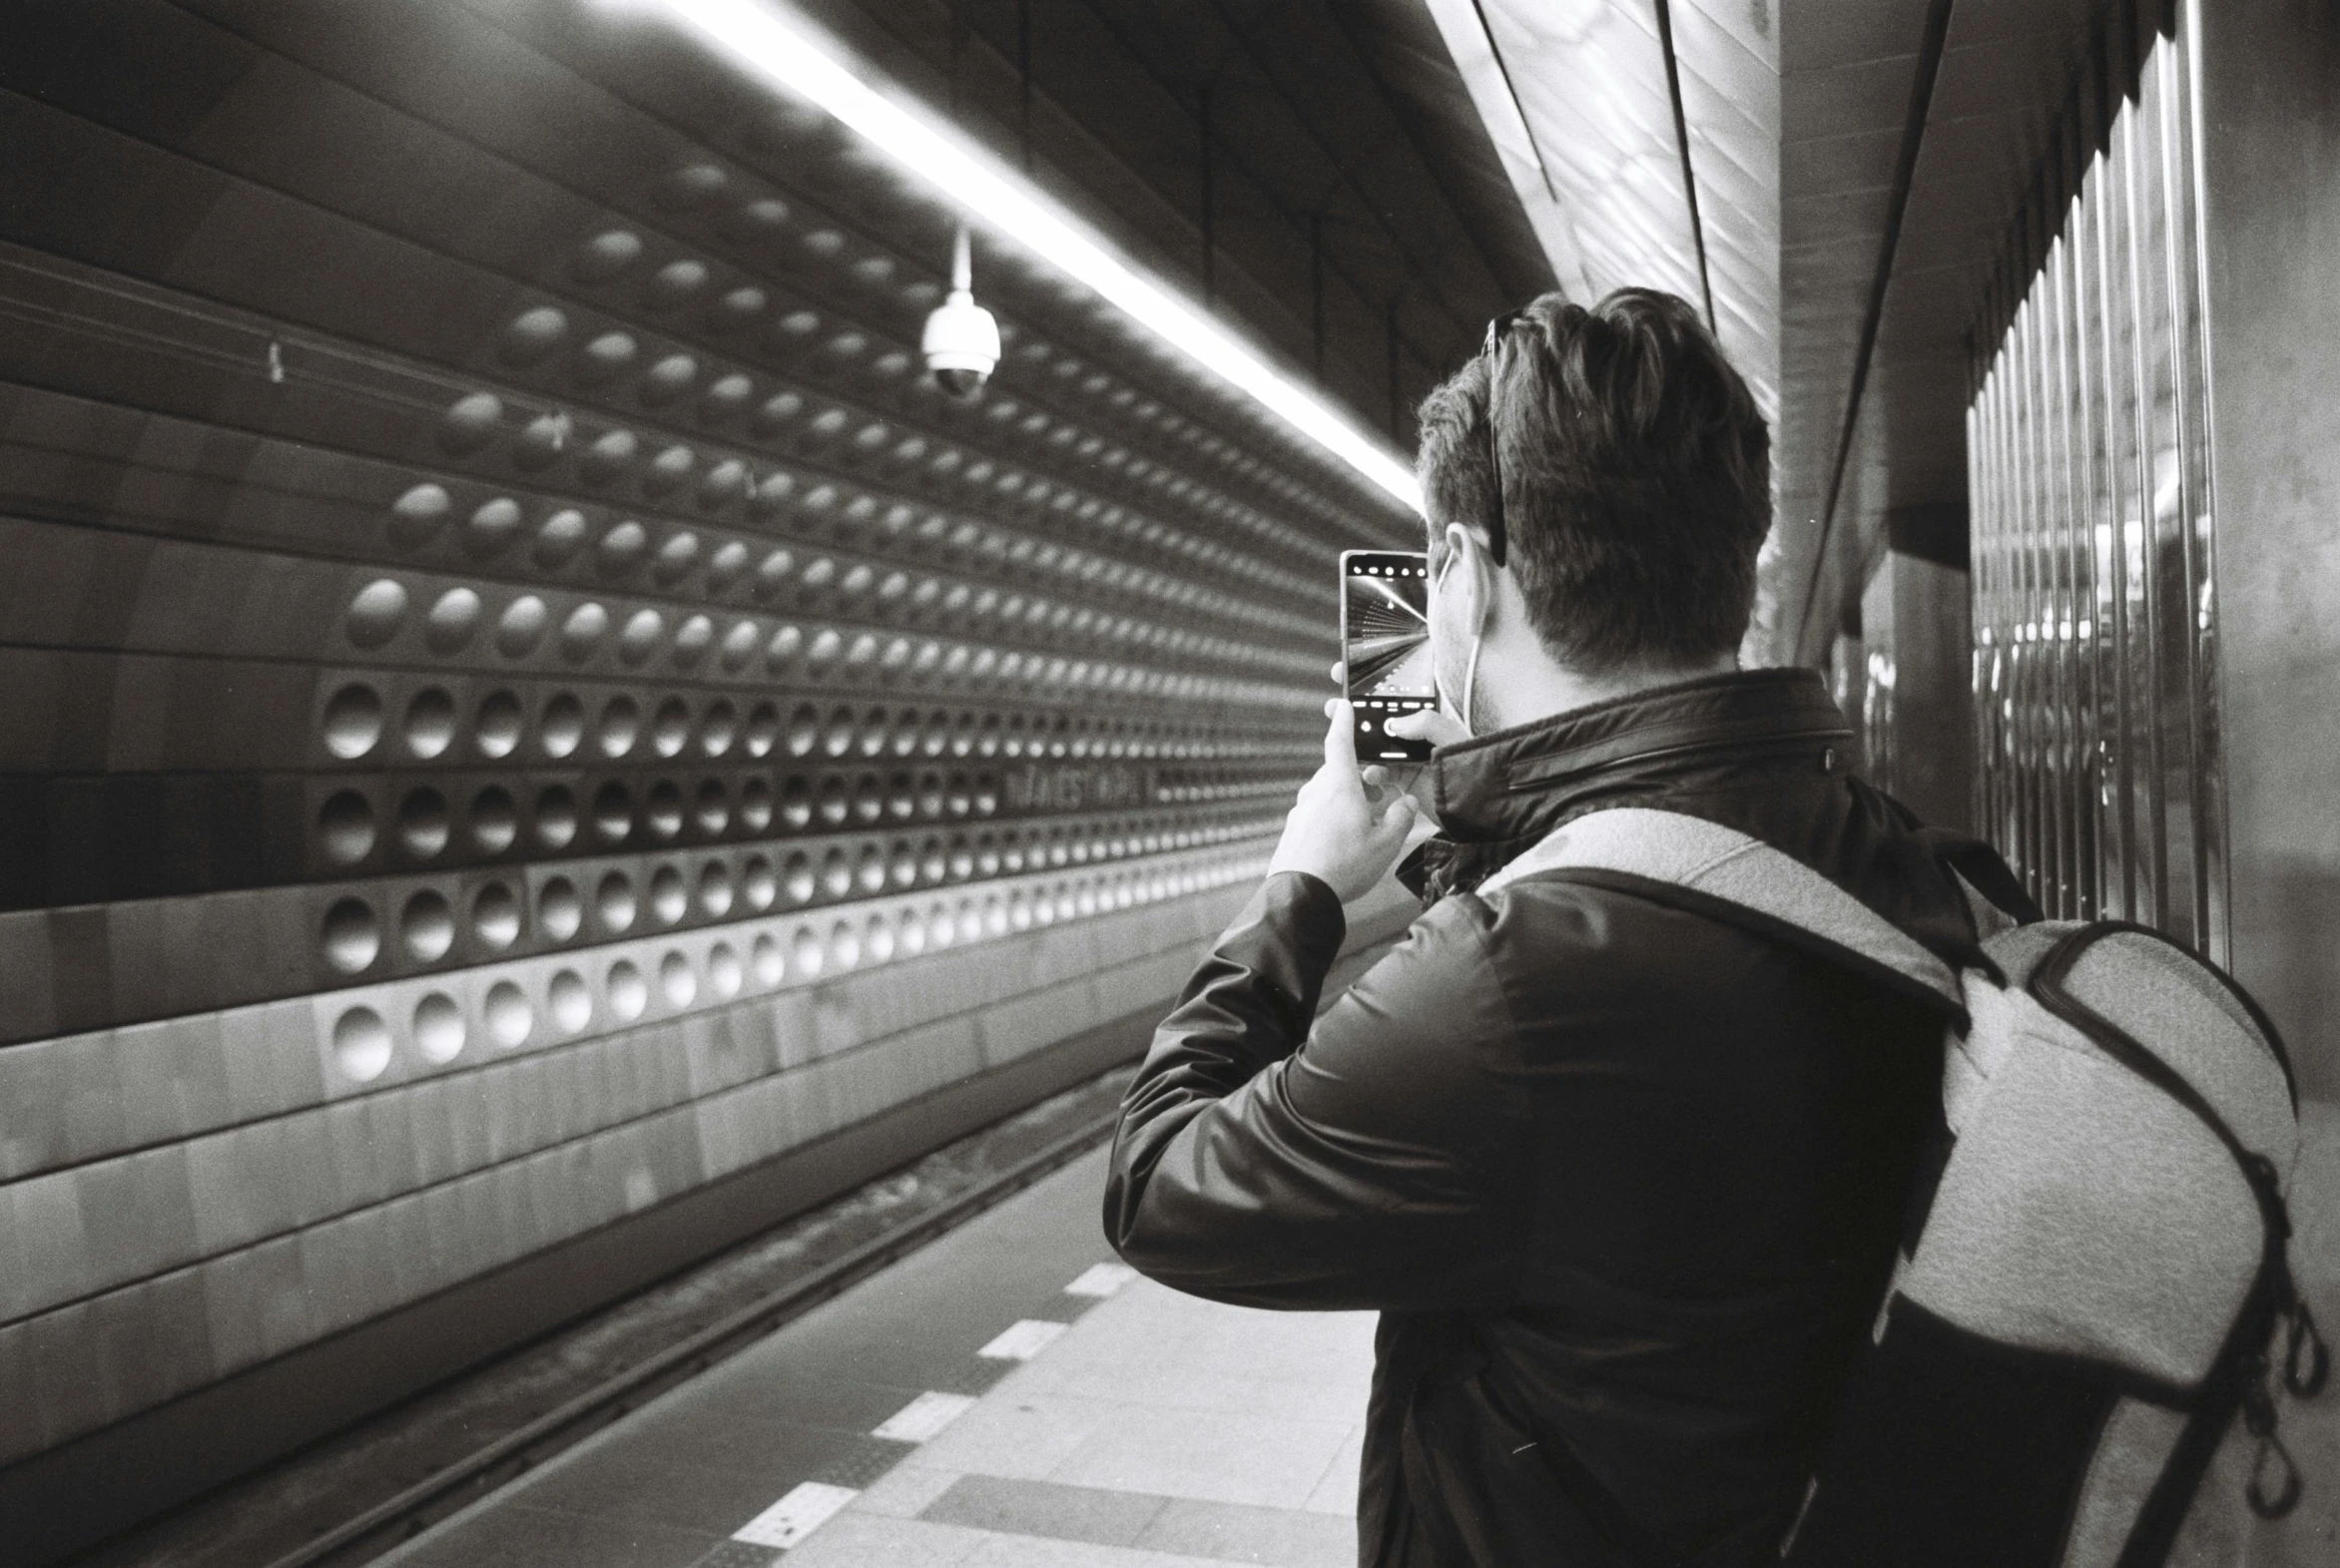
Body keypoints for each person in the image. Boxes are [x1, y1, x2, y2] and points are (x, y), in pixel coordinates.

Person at [1103, 288, 1978, 1566]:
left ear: (1458, 571)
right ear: (1728, 559)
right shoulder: (1884, 846)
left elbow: (1161, 1180)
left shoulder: (1515, 976)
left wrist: (1299, 888)